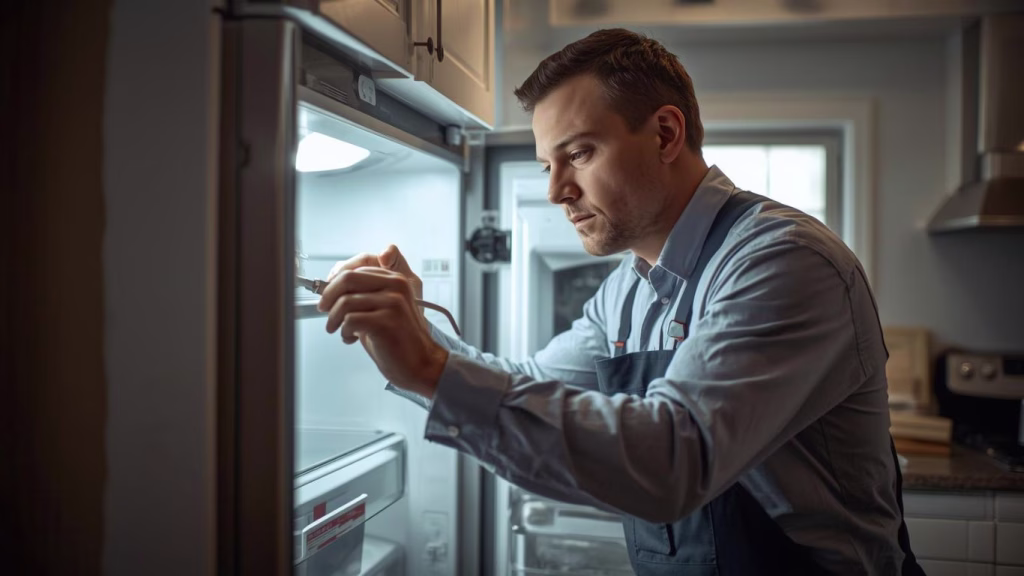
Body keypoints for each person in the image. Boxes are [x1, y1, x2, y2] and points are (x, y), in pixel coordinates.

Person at [316, 28, 924, 575]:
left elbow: (673, 460)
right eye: (547, 164)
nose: (557, 190)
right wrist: (419, 339)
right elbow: (532, 380)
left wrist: (430, 368)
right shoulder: (630, 287)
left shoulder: (783, 262)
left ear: (665, 133)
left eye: (579, 153)